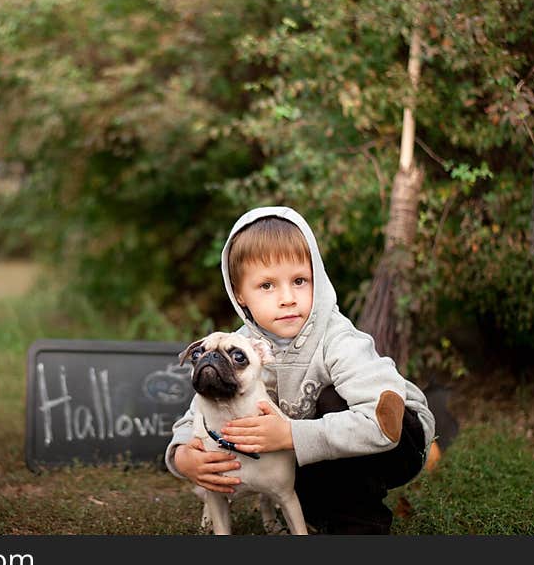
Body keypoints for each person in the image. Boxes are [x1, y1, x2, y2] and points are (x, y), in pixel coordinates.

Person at [165, 206, 436, 534]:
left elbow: (382, 422)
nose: (287, 298)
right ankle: (321, 508)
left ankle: (358, 524)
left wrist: (291, 434)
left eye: (299, 281)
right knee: (290, 473)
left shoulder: (337, 339)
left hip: (396, 439)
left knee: (331, 399)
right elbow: (198, 412)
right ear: (240, 294)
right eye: (267, 286)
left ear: (317, 280)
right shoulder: (239, 348)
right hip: (313, 446)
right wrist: (183, 456)